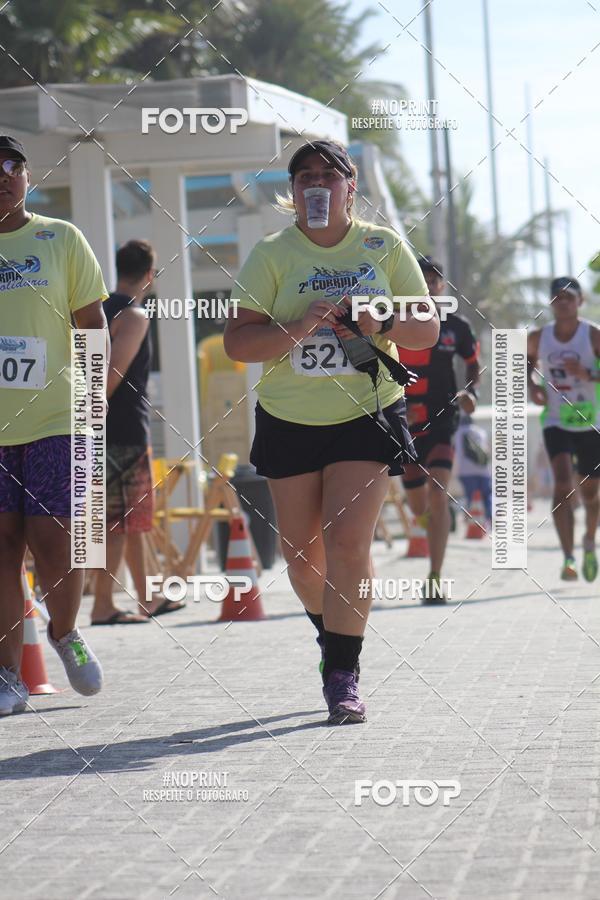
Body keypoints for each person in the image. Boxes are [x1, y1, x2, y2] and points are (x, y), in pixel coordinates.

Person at [224, 139, 439, 724]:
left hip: (367, 410)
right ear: (291, 192)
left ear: (350, 186)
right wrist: (294, 329)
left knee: (347, 542)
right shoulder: (271, 253)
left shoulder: (382, 244)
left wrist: (383, 318)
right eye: (304, 177)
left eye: (329, 174)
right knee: (300, 556)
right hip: (290, 416)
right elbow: (238, 341)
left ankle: (344, 675)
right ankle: (333, 639)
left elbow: (426, 331)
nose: (316, 184)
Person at [0, 135, 107, 715]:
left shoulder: (60, 238)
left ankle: (65, 633)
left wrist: (94, 397)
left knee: (54, 544)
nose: (1, 177)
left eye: (9, 166)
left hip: (55, 417)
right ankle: (9, 674)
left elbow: (91, 321)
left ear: (26, 175)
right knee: (1, 550)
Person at [90, 240, 184, 625]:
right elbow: (110, 377)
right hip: (122, 429)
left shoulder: (97, 310)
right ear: (150, 275)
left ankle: (148, 596)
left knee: (132, 518)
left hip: (103, 430)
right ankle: (103, 605)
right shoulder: (133, 315)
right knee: (116, 521)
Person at [397, 258, 480, 604]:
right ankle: (433, 524)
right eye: (423, 279)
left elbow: (475, 364)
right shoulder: (395, 322)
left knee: (438, 492)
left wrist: (470, 393)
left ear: (442, 287)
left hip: (443, 419)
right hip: (402, 421)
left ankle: (435, 576)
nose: (429, 286)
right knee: (419, 505)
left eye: (435, 281)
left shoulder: (456, 326)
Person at [527, 276, 600, 582]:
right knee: (561, 482)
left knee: (591, 492)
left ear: (580, 301)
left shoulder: (593, 335)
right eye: (557, 298)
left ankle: (588, 541)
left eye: (570, 297)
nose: (564, 302)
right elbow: (526, 364)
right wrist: (532, 386)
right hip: (556, 420)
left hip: (592, 422)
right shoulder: (539, 337)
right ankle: (568, 555)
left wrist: (588, 373)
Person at [454, 412, 492, 526]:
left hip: (466, 471)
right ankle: (489, 519)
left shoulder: (458, 433)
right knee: (486, 495)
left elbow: (458, 454)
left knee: (471, 496)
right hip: (483, 470)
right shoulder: (480, 432)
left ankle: (473, 522)